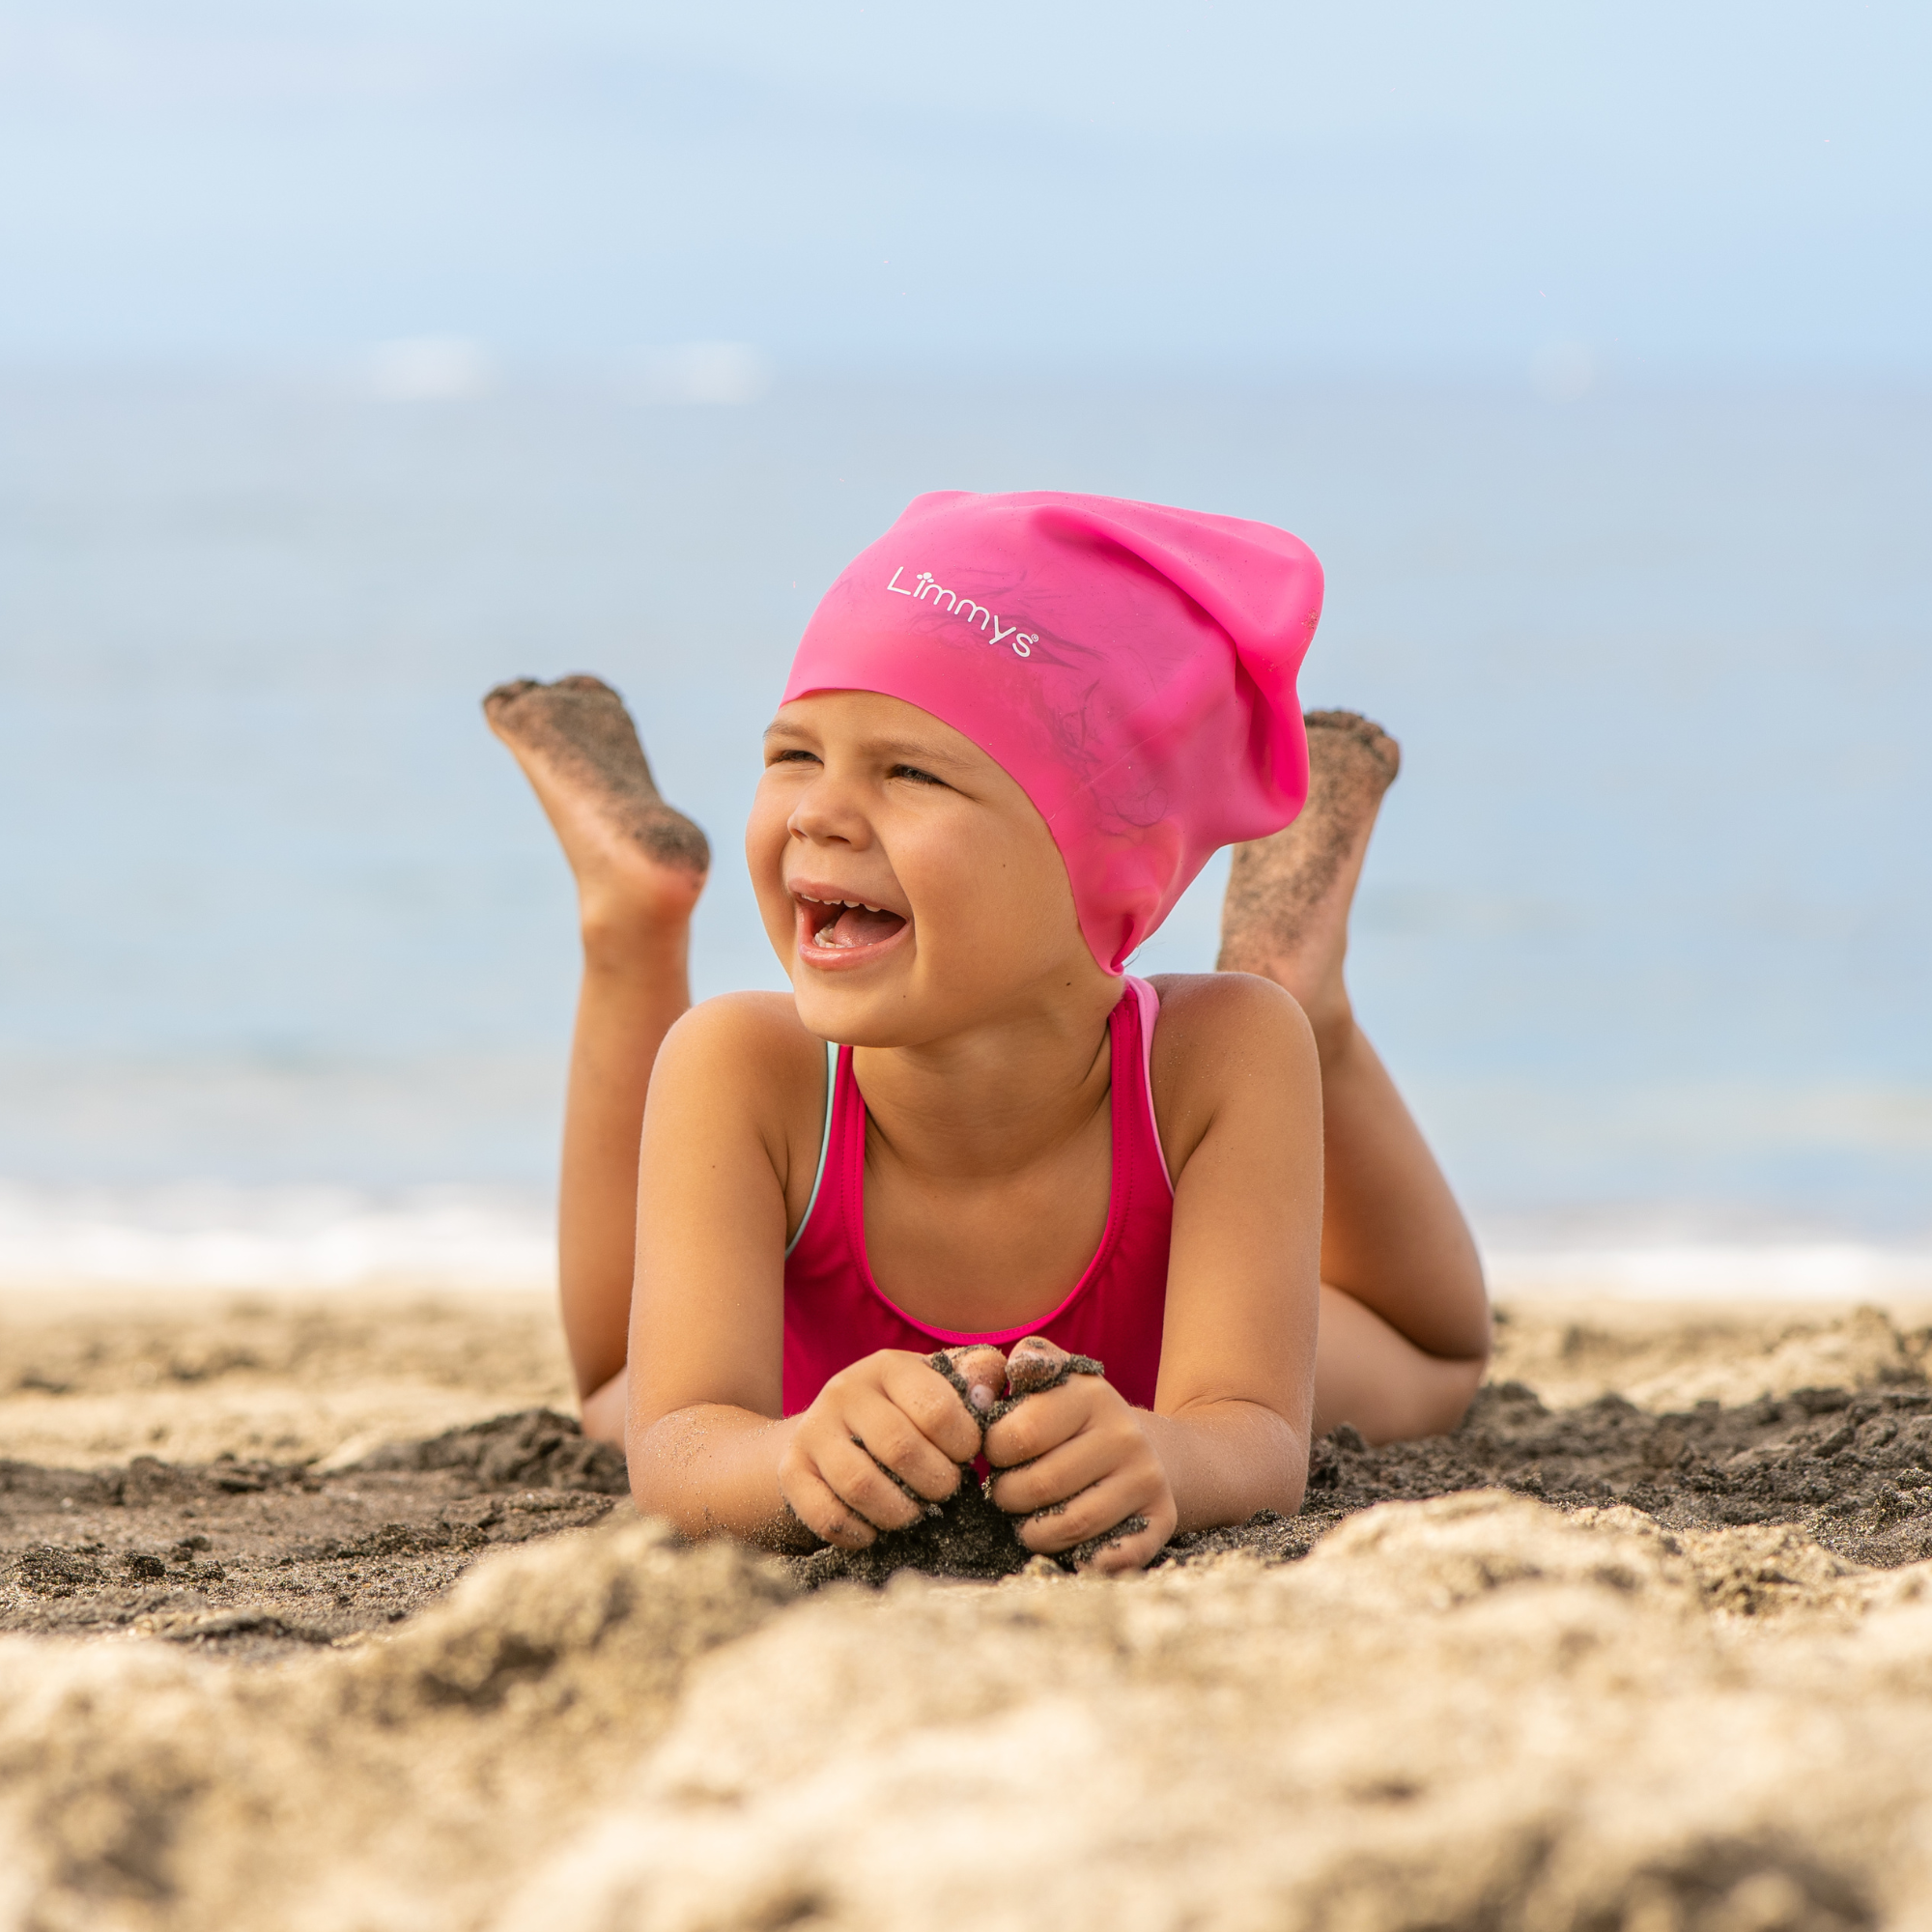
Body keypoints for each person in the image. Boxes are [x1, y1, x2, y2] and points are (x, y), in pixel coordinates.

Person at [485, 491, 1490, 1575]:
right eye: (792, 754)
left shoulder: (1222, 1057)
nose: (817, 812)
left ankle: (1304, 989)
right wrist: (789, 1458)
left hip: (1163, 1351)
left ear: (1108, 860)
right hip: (798, 1381)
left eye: (909, 771)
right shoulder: (742, 1067)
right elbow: (676, 1442)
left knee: (1430, 1369)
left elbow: (1251, 1427)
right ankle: (630, 921)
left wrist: (1167, 1449)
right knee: (615, 1397)